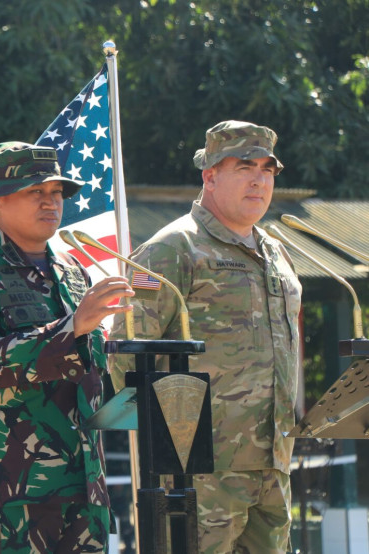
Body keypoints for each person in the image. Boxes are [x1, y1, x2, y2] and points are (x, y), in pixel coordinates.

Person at [109, 120, 302, 554]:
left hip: (273, 463)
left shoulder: (276, 251)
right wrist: (175, 446)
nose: (259, 179)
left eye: (268, 169)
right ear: (210, 176)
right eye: (244, 166)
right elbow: (126, 357)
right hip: (200, 472)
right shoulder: (172, 248)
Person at [0, 141, 134, 553]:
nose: (51, 203)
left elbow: (90, 369)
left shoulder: (73, 272)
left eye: (57, 193)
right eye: (35, 192)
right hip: (13, 491)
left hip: (83, 483)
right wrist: (71, 328)